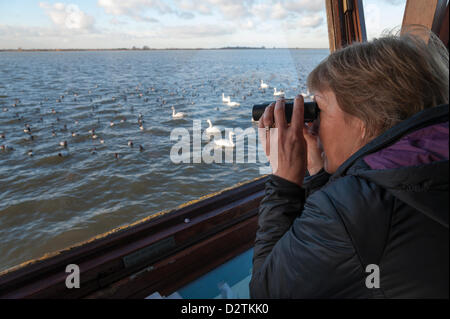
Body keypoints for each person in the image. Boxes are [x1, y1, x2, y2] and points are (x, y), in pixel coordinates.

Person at [250, 31, 449, 298]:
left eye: (318, 110)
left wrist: (284, 181)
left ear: (366, 120)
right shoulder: (421, 169)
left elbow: (265, 294)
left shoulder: (354, 209)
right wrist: (319, 173)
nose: (314, 126)